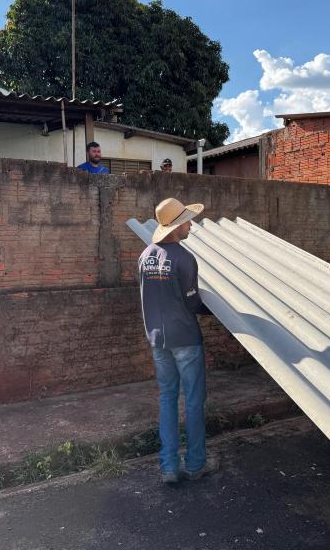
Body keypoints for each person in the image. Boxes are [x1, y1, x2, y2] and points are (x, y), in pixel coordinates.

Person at [138, 197, 219, 484]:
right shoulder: (185, 259)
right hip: (185, 337)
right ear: (175, 226)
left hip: (158, 340)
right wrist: (221, 309)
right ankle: (196, 464)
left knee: (168, 400)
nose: (190, 225)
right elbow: (193, 303)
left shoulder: (145, 256)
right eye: (186, 221)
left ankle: (169, 467)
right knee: (194, 402)